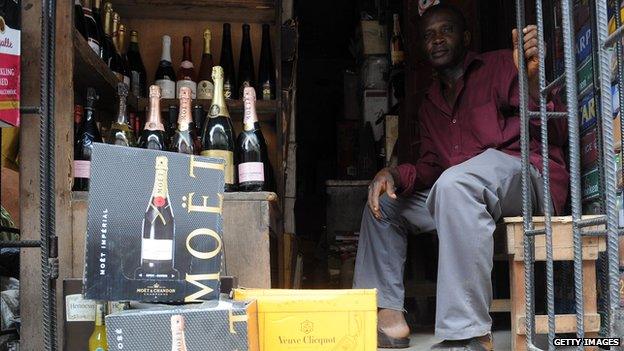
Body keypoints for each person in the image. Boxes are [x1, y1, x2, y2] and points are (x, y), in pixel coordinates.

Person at [352, 4, 569, 350]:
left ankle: (468, 335)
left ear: (465, 37)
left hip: (525, 177)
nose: (436, 39)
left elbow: (555, 129)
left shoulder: (502, 65)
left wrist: (530, 79)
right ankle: (389, 321)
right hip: (462, 191)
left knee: (456, 183)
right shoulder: (429, 104)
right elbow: (429, 167)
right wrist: (391, 173)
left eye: (446, 31)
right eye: (428, 35)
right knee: (384, 205)